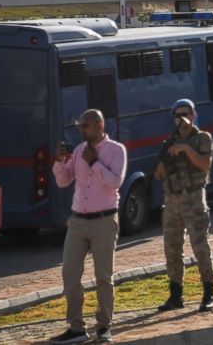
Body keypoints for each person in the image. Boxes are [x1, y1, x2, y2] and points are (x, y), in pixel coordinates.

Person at [50, 109, 126, 345]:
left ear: (99, 125)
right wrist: (59, 161)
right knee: (70, 274)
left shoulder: (116, 150)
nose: (82, 130)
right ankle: (76, 328)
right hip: (78, 221)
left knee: (103, 277)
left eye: (86, 126)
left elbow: (115, 182)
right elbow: (63, 181)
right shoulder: (79, 150)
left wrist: (94, 163)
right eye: (80, 126)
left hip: (104, 220)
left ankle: (104, 326)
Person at [155, 99, 213, 313]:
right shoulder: (168, 143)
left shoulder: (202, 138)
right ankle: (175, 294)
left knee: (200, 246)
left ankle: (208, 293)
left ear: (193, 115)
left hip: (194, 198)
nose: (182, 119)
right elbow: (158, 174)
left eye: (185, 114)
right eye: (177, 115)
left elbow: (204, 164)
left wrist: (184, 148)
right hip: (172, 200)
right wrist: (164, 162)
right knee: (172, 248)